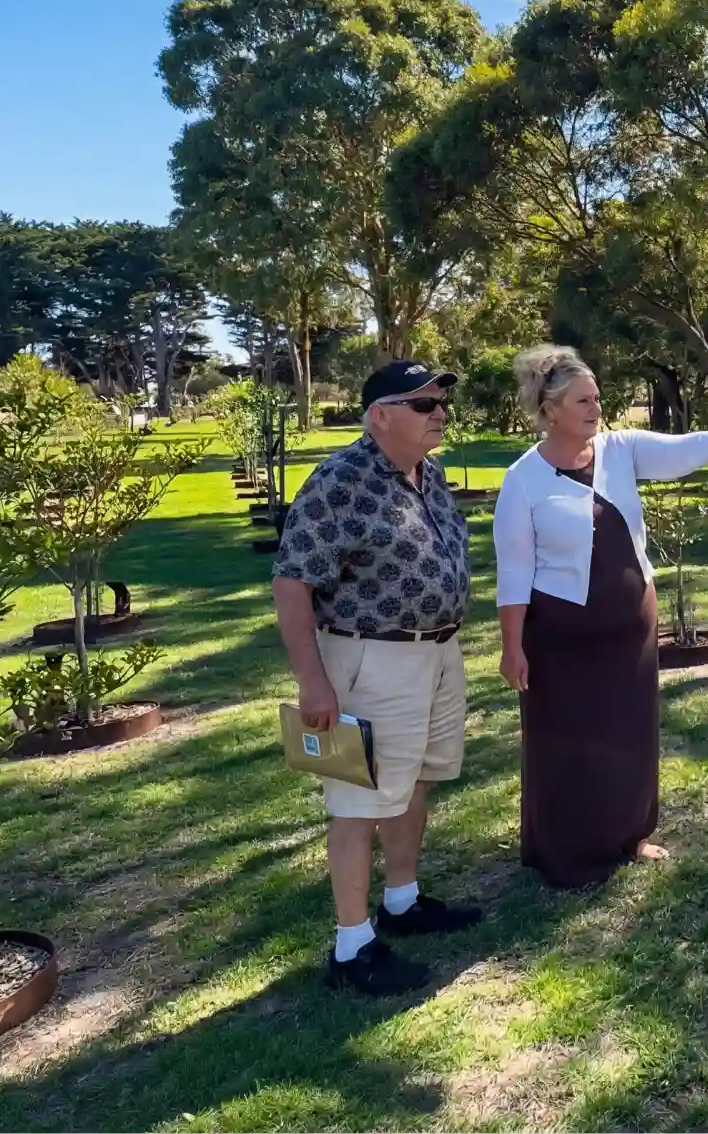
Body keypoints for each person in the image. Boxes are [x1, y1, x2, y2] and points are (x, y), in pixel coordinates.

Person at [493, 345, 708, 887]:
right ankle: (567, 851)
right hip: (561, 639)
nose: (596, 408)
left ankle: (629, 836)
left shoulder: (619, 450)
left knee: (630, 733)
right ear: (551, 409)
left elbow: (689, 448)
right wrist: (512, 645)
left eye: (597, 398)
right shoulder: (523, 480)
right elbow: (514, 572)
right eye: (583, 400)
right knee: (565, 741)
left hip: (629, 626)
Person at [271, 359, 484, 996]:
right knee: (358, 804)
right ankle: (351, 945)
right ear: (380, 416)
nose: (439, 413)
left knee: (415, 776)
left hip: (437, 654)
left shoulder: (430, 472)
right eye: (423, 405)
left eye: (442, 402)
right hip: (369, 659)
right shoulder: (339, 481)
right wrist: (313, 684)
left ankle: (402, 899)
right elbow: (291, 584)